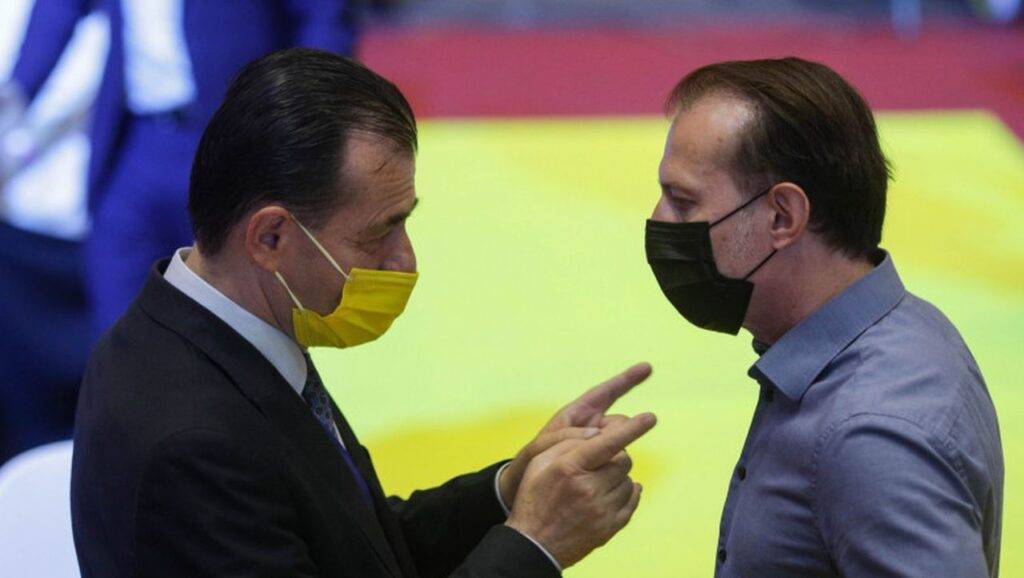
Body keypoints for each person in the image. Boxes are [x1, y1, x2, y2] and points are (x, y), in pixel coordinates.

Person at [71, 48, 656, 577]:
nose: (405, 260)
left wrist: (509, 489)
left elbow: (357, 545)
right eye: (380, 232)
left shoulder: (212, 330)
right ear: (271, 237)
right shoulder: (193, 443)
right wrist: (535, 543)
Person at [645, 57, 1003, 576]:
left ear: (783, 216)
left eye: (682, 201)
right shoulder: (905, 328)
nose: (658, 219)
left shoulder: (872, 437)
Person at [3, 0, 359, 341]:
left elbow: (322, 13)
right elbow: (59, 7)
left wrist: (302, 119)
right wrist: (16, 94)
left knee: (235, 326)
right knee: (119, 320)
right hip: (136, 144)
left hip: (238, 142)